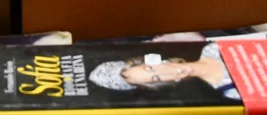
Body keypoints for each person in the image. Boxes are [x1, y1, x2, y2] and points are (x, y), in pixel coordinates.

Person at [87, 43, 237, 100]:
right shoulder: (229, 92)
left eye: (150, 68)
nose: (167, 73)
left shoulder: (213, 48)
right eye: (156, 78)